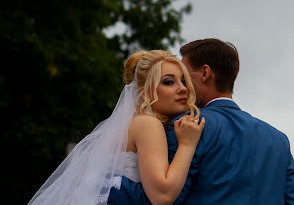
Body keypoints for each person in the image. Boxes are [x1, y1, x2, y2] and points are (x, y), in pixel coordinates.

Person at [108, 38, 294, 204]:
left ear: (205, 73)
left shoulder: (189, 124)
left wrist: (102, 183)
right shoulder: (280, 140)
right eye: (171, 81)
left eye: (185, 77)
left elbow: (165, 198)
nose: (184, 88)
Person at [28, 50, 205, 205]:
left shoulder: (133, 124)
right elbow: (162, 196)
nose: (183, 89)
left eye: (183, 81)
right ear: (145, 93)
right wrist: (187, 145)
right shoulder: (148, 124)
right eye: (169, 82)